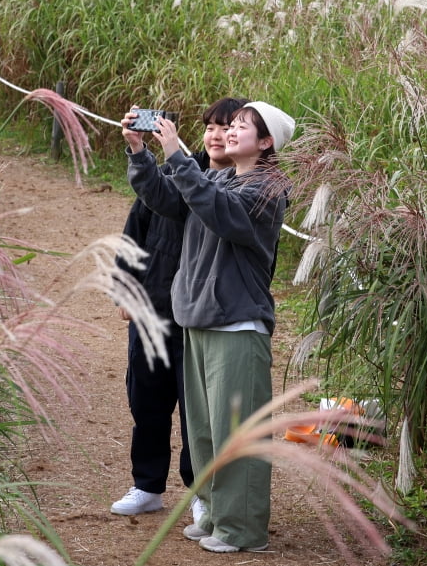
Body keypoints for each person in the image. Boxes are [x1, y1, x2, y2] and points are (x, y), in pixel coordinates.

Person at [121, 101, 295, 554]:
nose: (230, 132)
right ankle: (215, 514)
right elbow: (167, 200)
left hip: (238, 325)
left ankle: (242, 530)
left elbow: (219, 210)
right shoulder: (219, 177)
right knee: (204, 433)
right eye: (229, 124)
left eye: (241, 126)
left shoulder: (266, 189)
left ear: (266, 141)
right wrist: (141, 153)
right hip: (197, 319)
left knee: (235, 431)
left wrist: (178, 154)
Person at [109, 97, 248, 524]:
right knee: (146, 400)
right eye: (209, 127)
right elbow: (138, 227)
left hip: (202, 314)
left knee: (197, 412)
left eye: (228, 127)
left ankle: (200, 490)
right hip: (154, 307)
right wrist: (126, 289)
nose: (217, 135)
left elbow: (188, 203)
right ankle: (147, 485)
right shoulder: (175, 170)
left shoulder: (237, 188)